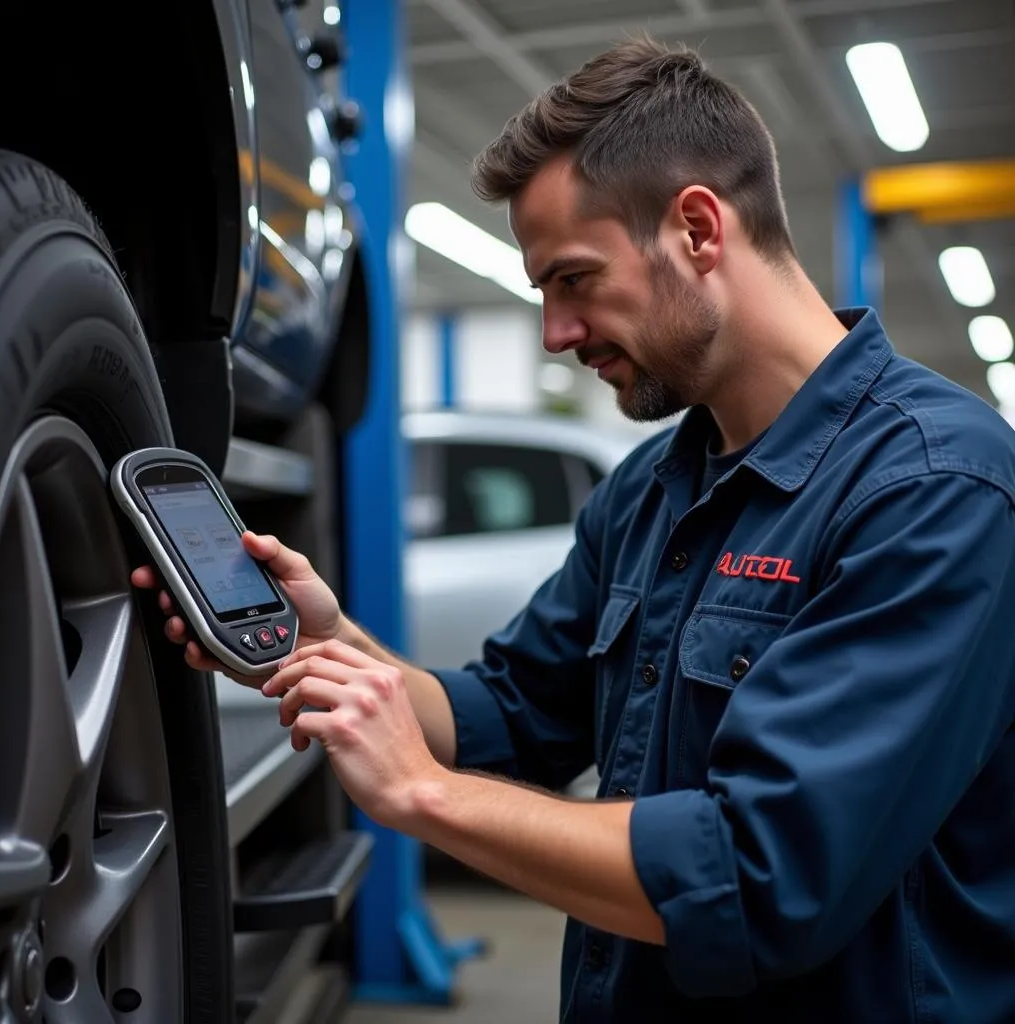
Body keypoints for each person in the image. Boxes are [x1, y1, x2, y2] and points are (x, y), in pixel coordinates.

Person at [133, 36, 1015, 1023]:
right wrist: (331, 646)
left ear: (696, 228)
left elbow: (763, 875)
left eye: (572, 279)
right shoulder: (647, 487)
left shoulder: (936, 486)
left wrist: (421, 794)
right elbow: (509, 715)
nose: (554, 332)